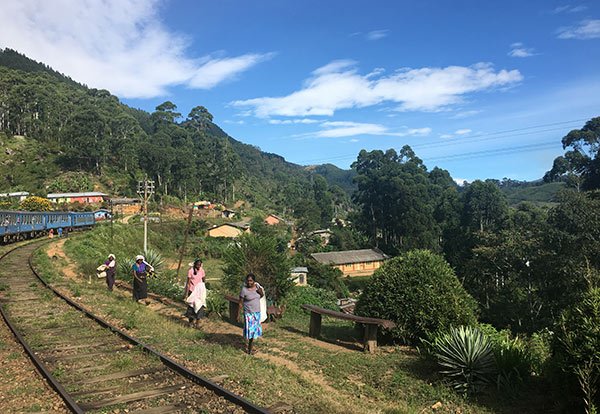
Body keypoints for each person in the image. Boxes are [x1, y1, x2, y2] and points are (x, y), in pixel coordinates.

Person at [238, 273, 264, 355]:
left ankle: (250, 347)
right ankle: (249, 349)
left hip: (256, 313)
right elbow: (240, 303)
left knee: (254, 332)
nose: (249, 282)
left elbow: (262, 295)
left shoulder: (257, 288)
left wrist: (260, 292)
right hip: (249, 314)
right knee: (250, 332)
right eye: (248, 281)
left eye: (251, 281)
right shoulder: (244, 290)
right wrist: (238, 314)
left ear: (254, 281)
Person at [184, 259, 206, 326]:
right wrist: (186, 294)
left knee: (199, 306)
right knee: (191, 306)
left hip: (199, 292)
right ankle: (191, 322)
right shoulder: (190, 271)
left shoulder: (202, 270)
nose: (198, 266)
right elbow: (188, 283)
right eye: (197, 265)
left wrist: (203, 289)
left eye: (200, 265)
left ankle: (197, 323)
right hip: (192, 291)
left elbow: (204, 280)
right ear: (195, 265)